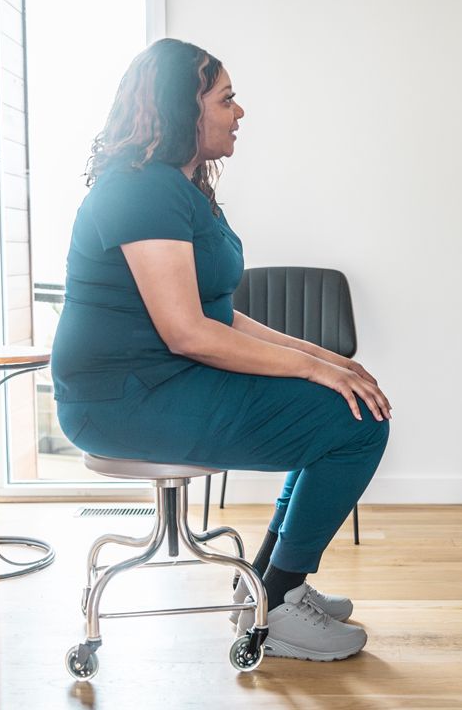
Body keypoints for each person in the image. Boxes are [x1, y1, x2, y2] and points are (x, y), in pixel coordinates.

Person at [50, 38, 391, 662]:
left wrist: (328, 361)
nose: (240, 112)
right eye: (226, 99)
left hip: (163, 383)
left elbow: (220, 313)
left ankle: (268, 585)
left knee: (336, 401)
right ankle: (280, 605)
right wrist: (318, 369)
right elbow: (188, 332)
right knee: (353, 421)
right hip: (126, 401)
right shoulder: (143, 190)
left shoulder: (178, 189)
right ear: (185, 110)